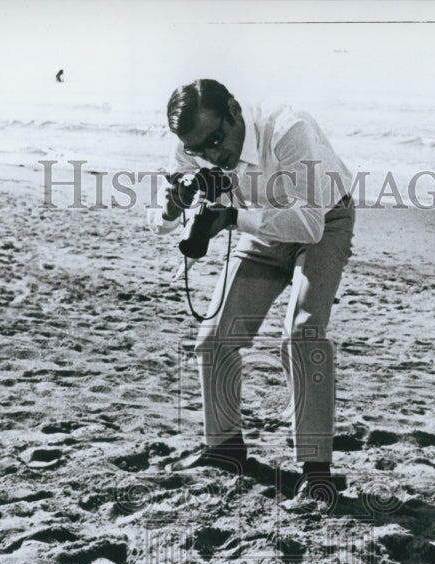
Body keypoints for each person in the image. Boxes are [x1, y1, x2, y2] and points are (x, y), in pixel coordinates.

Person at [146, 79, 355, 507]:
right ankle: (224, 448)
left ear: (236, 111)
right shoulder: (191, 144)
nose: (211, 155)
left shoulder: (288, 129)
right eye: (199, 149)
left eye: (217, 139)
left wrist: (233, 216)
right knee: (214, 338)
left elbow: (308, 225)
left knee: (303, 332)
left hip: (322, 220)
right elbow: (162, 223)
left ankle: (317, 473)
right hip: (256, 225)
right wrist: (173, 207)